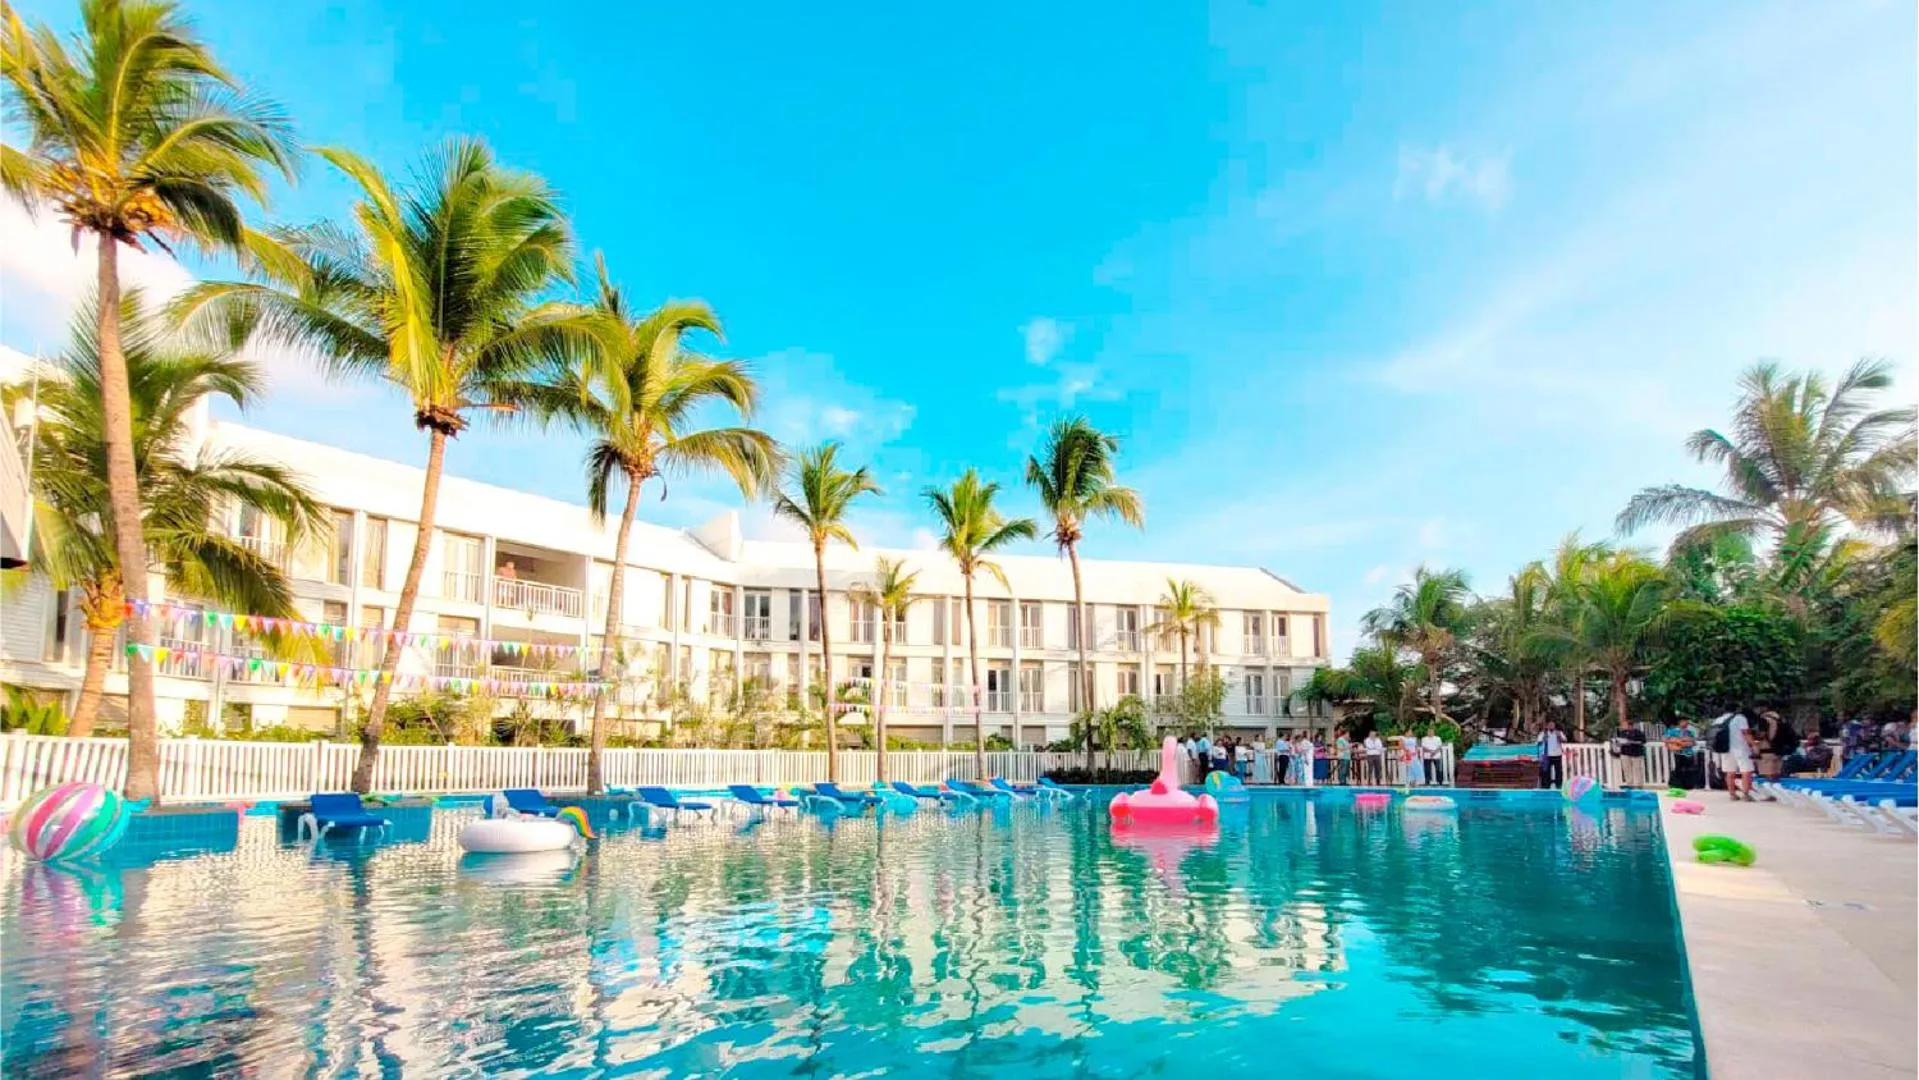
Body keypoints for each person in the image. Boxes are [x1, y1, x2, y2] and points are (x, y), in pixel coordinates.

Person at [1710, 703, 1755, 802]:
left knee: (1730, 772)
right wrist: (1753, 744)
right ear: (1737, 709)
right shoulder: (1740, 718)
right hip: (1741, 748)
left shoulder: (1718, 720)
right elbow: (1746, 733)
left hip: (1725, 749)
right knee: (1746, 771)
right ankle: (1746, 795)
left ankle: (1732, 794)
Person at [1664, 718, 1702, 789]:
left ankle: (1688, 785)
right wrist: (1679, 742)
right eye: (1685, 721)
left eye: (1687, 721)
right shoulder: (1673, 731)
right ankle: (1677, 785)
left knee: (1688, 768)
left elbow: (1693, 742)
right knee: (1678, 768)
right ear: (1680, 722)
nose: (1687, 723)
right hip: (1678, 752)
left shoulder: (1690, 732)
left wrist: (1683, 742)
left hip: (1688, 753)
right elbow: (1666, 740)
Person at [1613, 718, 1648, 789]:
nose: (1623, 726)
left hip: (1636, 753)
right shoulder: (1622, 733)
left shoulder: (1638, 732)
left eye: (1625, 725)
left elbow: (1643, 741)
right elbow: (1619, 742)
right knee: (1626, 769)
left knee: (1637, 769)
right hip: (1625, 753)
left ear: (1630, 725)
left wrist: (1631, 742)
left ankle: (1638, 785)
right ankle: (1629, 784)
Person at [1537, 720, 1565, 789]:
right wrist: (1544, 739)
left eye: (1552, 724)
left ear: (1554, 725)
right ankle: (1546, 786)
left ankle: (1559, 786)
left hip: (1557, 755)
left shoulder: (1559, 732)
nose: (1551, 726)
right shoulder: (1543, 733)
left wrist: (1560, 737)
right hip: (1547, 756)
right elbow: (1538, 743)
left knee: (1558, 771)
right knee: (1546, 772)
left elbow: (1564, 740)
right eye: (1549, 724)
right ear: (1547, 726)